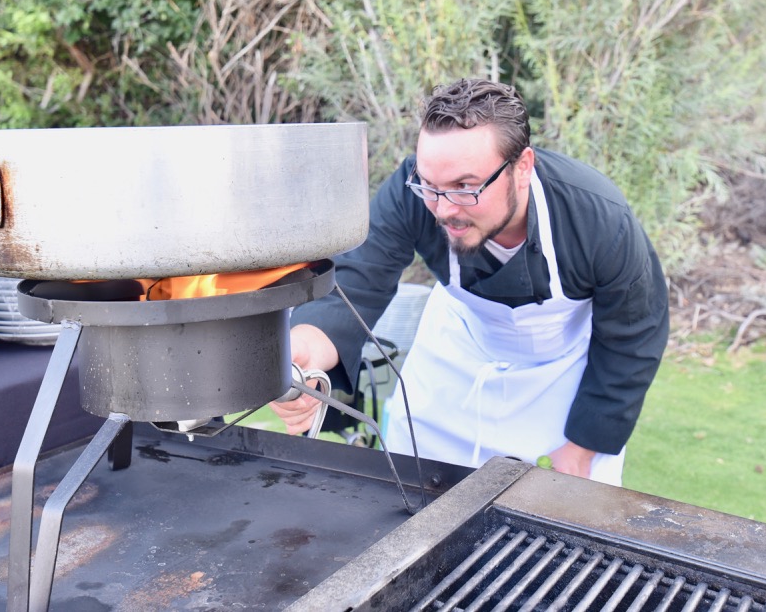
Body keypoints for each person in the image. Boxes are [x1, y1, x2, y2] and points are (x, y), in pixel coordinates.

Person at [272, 78, 669, 485]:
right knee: (413, 497)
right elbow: (359, 278)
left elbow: (634, 335)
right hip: (455, 359)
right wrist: (306, 348)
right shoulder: (413, 193)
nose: (443, 210)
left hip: (559, 377)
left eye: (465, 187)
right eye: (430, 185)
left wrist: (583, 445)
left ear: (522, 167)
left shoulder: (600, 219)